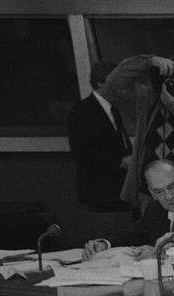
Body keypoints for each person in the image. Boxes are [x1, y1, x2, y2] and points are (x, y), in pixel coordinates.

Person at [98, 53, 174, 208]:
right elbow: (111, 87)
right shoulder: (148, 102)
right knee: (153, 231)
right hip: (153, 193)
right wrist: (147, 61)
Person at [83, 159, 174, 264]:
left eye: (172, 187)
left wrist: (162, 254)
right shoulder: (155, 208)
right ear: (152, 194)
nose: (168, 196)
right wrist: (105, 243)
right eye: (159, 191)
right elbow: (135, 234)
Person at [67, 60, 132, 211]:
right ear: (100, 83)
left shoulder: (113, 109)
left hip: (119, 187)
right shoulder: (82, 111)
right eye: (117, 83)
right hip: (100, 188)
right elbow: (81, 151)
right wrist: (120, 161)